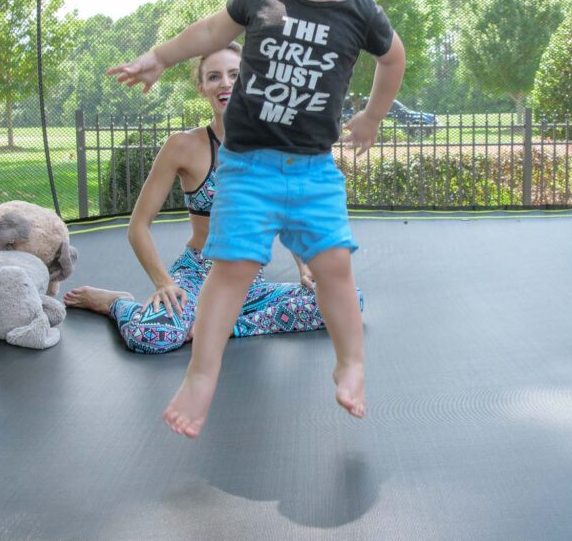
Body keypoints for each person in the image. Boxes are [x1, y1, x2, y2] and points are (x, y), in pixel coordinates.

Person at [108, 0, 405, 437]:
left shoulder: (363, 14)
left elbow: (393, 59)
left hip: (315, 173)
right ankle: (201, 376)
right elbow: (208, 32)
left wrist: (371, 115)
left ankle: (351, 363)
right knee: (231, 271)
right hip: (247, 170)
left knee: (337, 271)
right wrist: (160, 56)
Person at [65, 44, 359, 352]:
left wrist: (304, 265)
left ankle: (223, 325)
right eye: (214, 76)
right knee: (151, 337)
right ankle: (117, 303)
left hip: (248, 280)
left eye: (235, 74)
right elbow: (138, 226)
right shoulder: (182, 146)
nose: (226, 83)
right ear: (202, 87)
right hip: (196, 275)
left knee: (347, 300)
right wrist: (164, 282)